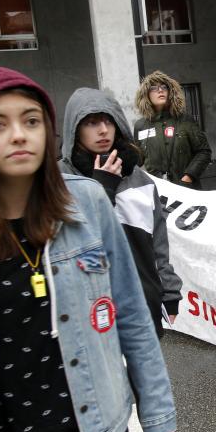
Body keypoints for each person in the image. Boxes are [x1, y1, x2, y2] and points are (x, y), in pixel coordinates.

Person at [0, 67, 176, 432]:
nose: (19, 134)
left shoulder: (88, 200)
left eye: (31, 120)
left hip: (93, 431)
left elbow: (133, 320)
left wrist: (159, 425)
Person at [59, 87, 183, 338]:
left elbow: (158, 243)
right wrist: (103, 186)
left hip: (141, 300)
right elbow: (69, 241)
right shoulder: (60, 180)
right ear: (75, 128)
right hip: (89, 308)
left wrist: (169, 292)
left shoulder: (140, 180)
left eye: (109, 121)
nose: (103, 130)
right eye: (92, 123)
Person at [133, 70, 212, 189]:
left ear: (170, 92)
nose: (160, 90)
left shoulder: (185, 120)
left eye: (164, 87)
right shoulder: (140, 126)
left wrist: (188, 177)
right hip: (157, 192)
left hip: (187, 190)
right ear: (146, 95)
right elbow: (138, 160)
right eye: (154, 88)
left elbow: (204, 152)